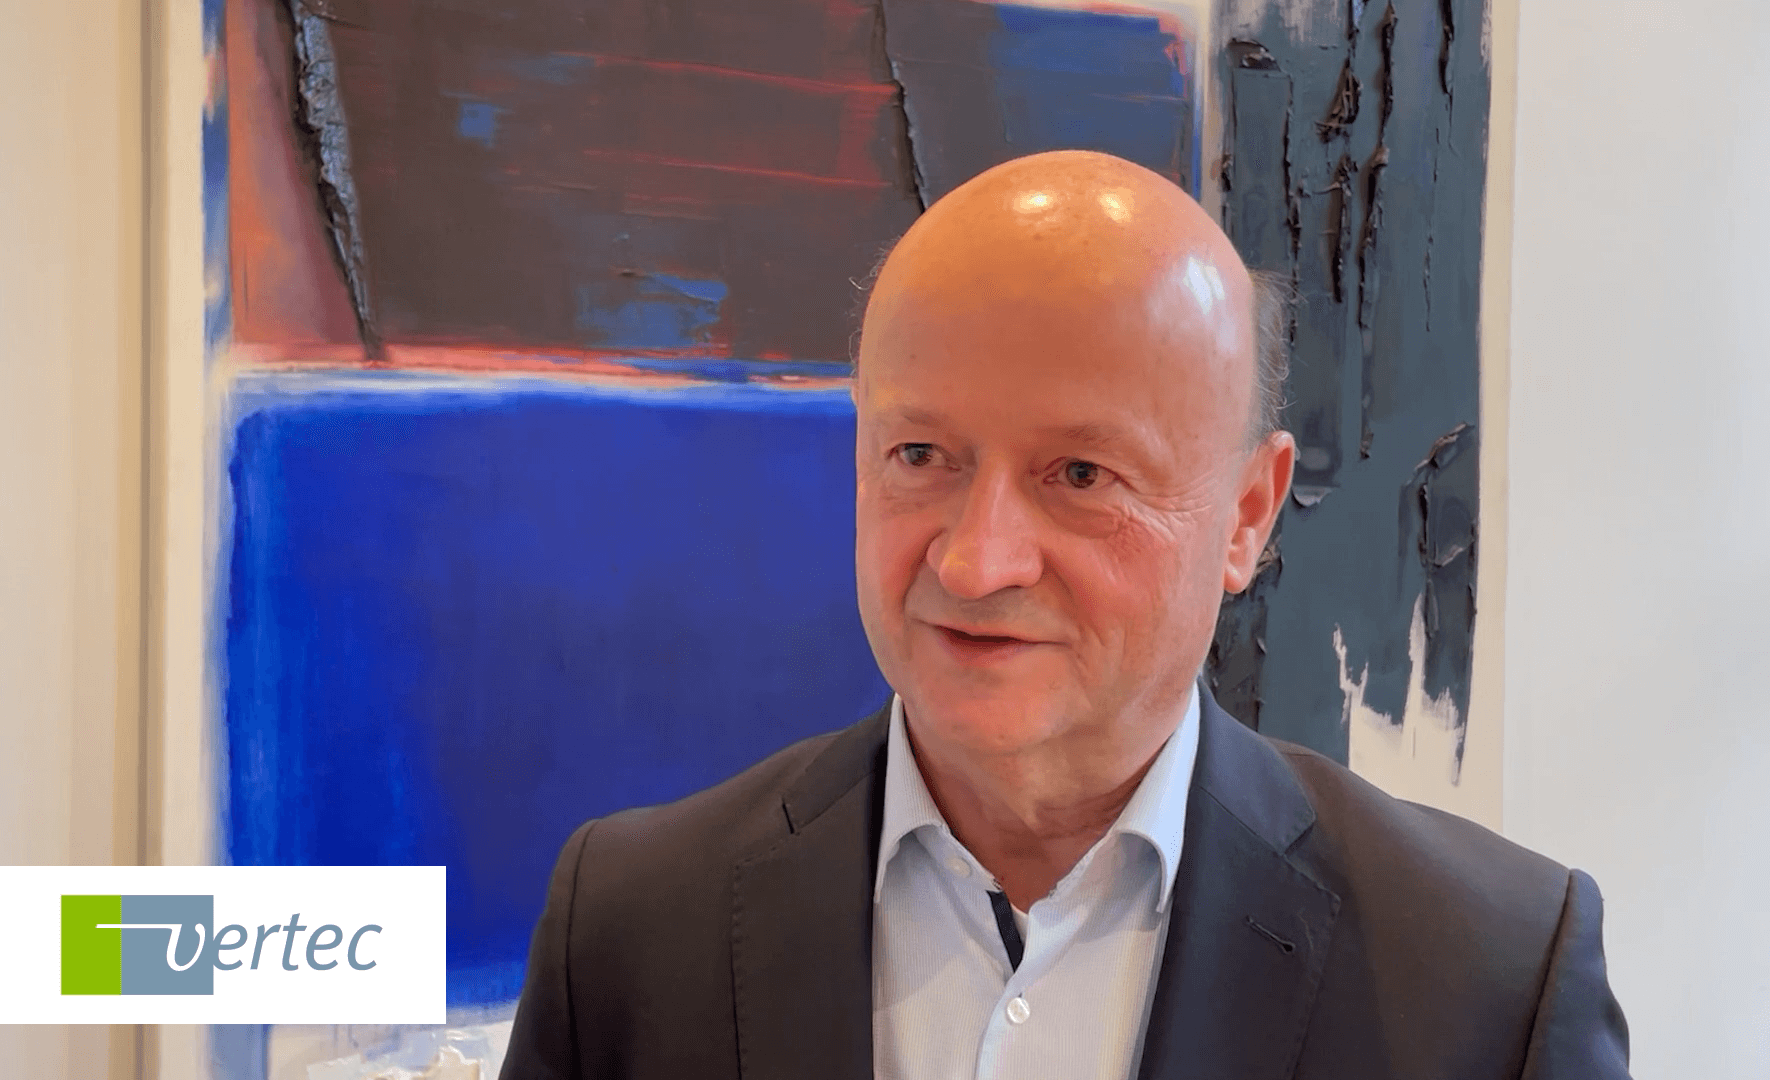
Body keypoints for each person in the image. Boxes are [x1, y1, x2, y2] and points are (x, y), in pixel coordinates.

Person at [498, 150, 1631, 1080]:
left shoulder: (1490, 983)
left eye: (1081, 474)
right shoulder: (630, 934)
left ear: (1247, 514)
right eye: (921, 454)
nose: (975, 561)